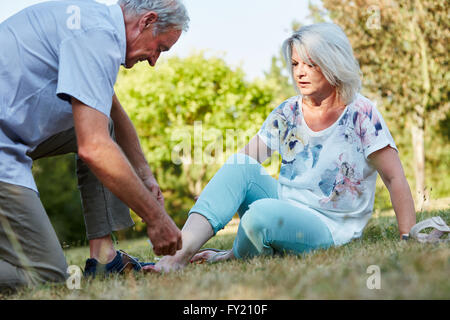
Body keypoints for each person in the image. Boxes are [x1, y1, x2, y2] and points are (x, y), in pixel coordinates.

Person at [145, 23, 417, 272]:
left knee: (260, 215)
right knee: (239, 168)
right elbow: (247, 160)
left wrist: (408, 236)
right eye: (296, 63)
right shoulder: (288, 111)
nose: (299, 72)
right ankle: (176, 257)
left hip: (329, 227)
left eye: (310, 64)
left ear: (333, 63)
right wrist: (217, 191)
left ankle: (231, 255)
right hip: (286, 204)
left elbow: (394, 178)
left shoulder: (362, 113)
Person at [0, 0, 189, 291]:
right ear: (147, 21)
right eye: (160, 48)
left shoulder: (93, 23)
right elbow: (94, 148)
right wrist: (156, 218)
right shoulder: (98, 37)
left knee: (99, 124)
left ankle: (104, 258)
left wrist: (145, 175)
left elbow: (113, 114)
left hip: (10, 135)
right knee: (48, 278)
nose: (154, 61)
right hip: (5, 146)